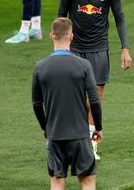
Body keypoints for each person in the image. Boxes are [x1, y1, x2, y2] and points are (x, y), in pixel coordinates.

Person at [57, 0, 132, 160]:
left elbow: (120, 18)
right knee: (72, 96)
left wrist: (125, 48)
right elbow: (61, 16)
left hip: (99, 49)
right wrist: (59, 46)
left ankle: (91, 144)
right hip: (74, 49)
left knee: (95, 98)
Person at [32, 17, 103, 190]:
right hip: (80, 135)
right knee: (87, 182)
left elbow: (36, 103)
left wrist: (46, 128)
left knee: (56, 183)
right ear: (71, 36)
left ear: (51, 36)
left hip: (55, 135)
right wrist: (98, 127)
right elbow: (94, 100)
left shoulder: (40, 67)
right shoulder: (84, 65)